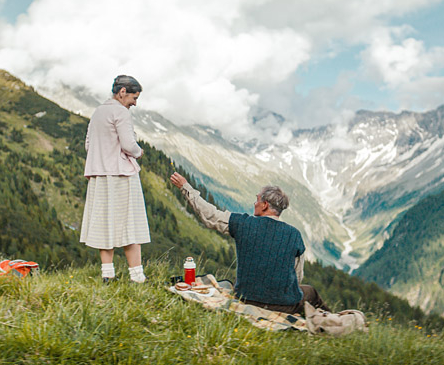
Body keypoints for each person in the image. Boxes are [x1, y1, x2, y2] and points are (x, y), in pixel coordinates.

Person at [169, 172, 329, 314]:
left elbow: (210, 215)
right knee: (310, 292)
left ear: (265, 205)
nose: (255, 203)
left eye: (257, 199)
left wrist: (185, 187)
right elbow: (297, 276)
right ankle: (330, 319)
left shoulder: (242, 223)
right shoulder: (295, 235)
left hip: (246, 298)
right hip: (284, 305)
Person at [80, 75, 150, 283]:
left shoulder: (98, 112)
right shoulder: (121, 112)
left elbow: (88, 145)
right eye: (134, 98)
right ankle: (137, 277)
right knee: (131, 223)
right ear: (122, 92)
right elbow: (128, 144)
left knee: (105, 223)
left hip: (99, 176)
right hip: (121, 175)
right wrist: (139, 153)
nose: (135, 103)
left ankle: (107, 274)